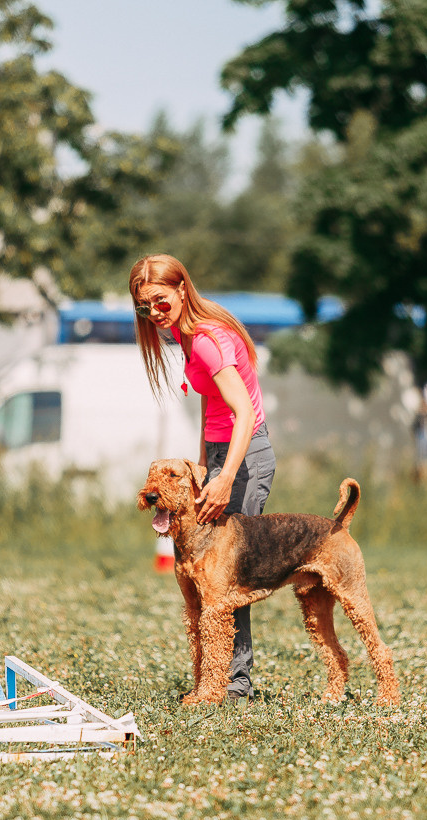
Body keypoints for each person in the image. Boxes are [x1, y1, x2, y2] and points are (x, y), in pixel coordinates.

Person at [129, 253, 275, 702]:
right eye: (144, 307)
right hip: (217, 455)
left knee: (226, 573)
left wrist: (225, 477)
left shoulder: (208, 339)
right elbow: (209, 401)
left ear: (181, 289)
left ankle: (235, 684)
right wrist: (200, 466)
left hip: (244, 457)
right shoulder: (184, 334)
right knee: (207, 571)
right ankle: (212, 680)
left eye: (160, 301)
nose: (155, 312)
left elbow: (244, 412)